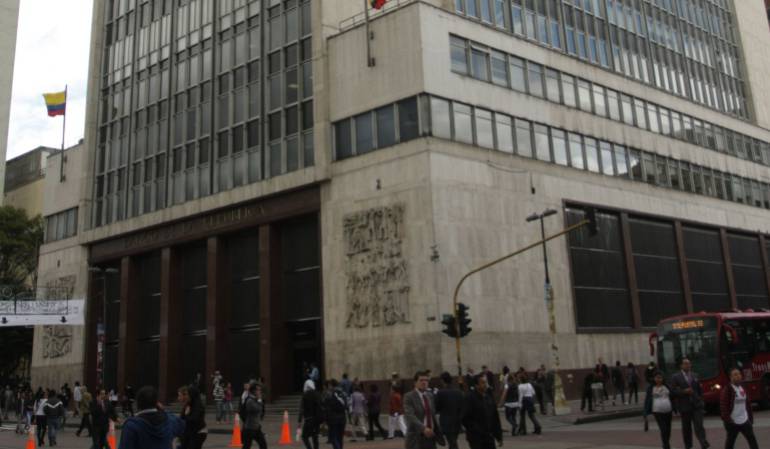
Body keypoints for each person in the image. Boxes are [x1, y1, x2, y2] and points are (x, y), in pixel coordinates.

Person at [118, 386, 184, 449]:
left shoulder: (131, 425)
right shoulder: (169, 420)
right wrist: (164, 410)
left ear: (138, 403)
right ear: (157, 403)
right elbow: (182, 426)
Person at [671, 358, 710, 449]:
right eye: (685, 364)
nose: (688, 365)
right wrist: (684, 391)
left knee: (699, 425)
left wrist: (701, 400)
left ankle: (703, 443)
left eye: (689, 363)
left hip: (697, 405)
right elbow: (673, 391)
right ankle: (688, 445)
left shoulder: (695, 375)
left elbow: (699, 390)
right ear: (681, 366)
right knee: (686, 428)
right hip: (684, 406)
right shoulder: (676, 377)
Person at [720, 368, 759, 449]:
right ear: (731, 377)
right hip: (733, 422)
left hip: (744, 420)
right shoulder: (728, 389)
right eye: (735, 375)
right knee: (730, 443)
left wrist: (750, 418)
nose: (738, 376)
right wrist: (728, 420)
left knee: (752, 440)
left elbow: (747, 404)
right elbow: (724, 407)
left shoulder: (743, 387)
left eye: (739, 374)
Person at [404, 371, 443, 449]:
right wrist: (423, 428)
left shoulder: (430, 395)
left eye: (426, 380)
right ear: (415, 382)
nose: (424, 382)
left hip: (431, 436)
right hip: (417, 436)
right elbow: (410, 415)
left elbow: (432, 415)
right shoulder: (409, 396)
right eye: (421, 380)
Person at [463, 375, 502, 449]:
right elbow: (465, 418)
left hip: (489, 436)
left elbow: (495, 418)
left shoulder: (488, 398)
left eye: (486, 382)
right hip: (476, 438)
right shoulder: (469, 398)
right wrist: (476, 430)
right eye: (483, 383)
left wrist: (498, 436)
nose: (485, 385)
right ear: (476, 385)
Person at [644, 371, 674, 449]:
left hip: (668, 411)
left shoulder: (667, 386)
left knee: (668, 429)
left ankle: (666, 443)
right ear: (654, 378)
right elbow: (647, 400)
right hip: (657, 412)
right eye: (657, 378)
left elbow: (673, 395)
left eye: (660, 377)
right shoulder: (651, 388)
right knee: (663, 429)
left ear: (663, 378)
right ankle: (666, 446)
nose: (658, 379)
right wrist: (645, 413)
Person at [435, 372, 464, 449]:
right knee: (453, 441)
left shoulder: (440, 393)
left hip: (446, 422)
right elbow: (462, 407)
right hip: (457, 421)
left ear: (442, 380)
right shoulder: (459, 392)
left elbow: (437, 407)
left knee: (452, 443)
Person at [240, 383, 267, 449]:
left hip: (256, 427)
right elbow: (257, 409)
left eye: (260, 390)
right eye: (258, 390)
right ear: (254, 391)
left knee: (263, 445)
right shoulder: (250, 401)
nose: (260, 392)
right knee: (247, 446)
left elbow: (261, 410)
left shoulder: (255, 399)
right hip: (249, 428)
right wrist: (259, 400)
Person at [298, 379, 322, 449]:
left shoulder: (305, 395)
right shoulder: (317, 394)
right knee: (315, 437)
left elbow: (301, 409)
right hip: (317, 419)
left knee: (304, 436)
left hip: (309, 419)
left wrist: (299, 420)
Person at [323, 380, 347, 449]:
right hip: (342, 418)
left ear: (331, 385)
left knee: (333, 438)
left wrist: (325, 419)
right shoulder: (343, 393)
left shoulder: (329, 394)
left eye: (329, 385)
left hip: (333, 419)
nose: (328, 387)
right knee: (340, 438)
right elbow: (346, 405)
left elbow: (326, 407)